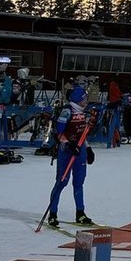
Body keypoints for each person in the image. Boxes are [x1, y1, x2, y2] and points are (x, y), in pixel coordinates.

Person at [47, 80, 95, 228]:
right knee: (62, 182)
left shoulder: (84, 113)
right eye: (84, 98)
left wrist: (87, 148)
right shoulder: (67, 111)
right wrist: (68, 144)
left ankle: (80, 213)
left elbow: (82, 134)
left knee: (79, 182)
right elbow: (59, 133)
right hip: (66, 152)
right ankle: (53, 214)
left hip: (79, 152)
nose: (86, 101)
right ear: (78, 99)